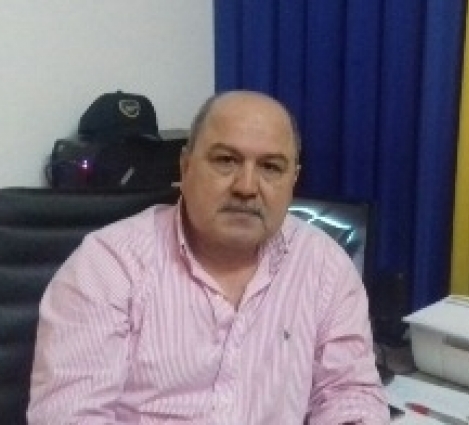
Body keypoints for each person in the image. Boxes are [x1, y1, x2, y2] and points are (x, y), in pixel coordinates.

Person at [27, 90, 389, 424]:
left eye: (270, 167)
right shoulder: (107, 266)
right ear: (185, 167)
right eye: (226, 160)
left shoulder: (325, 267)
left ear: (292, 180)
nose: (246, 187)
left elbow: (349, 393)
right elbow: (69, 416)